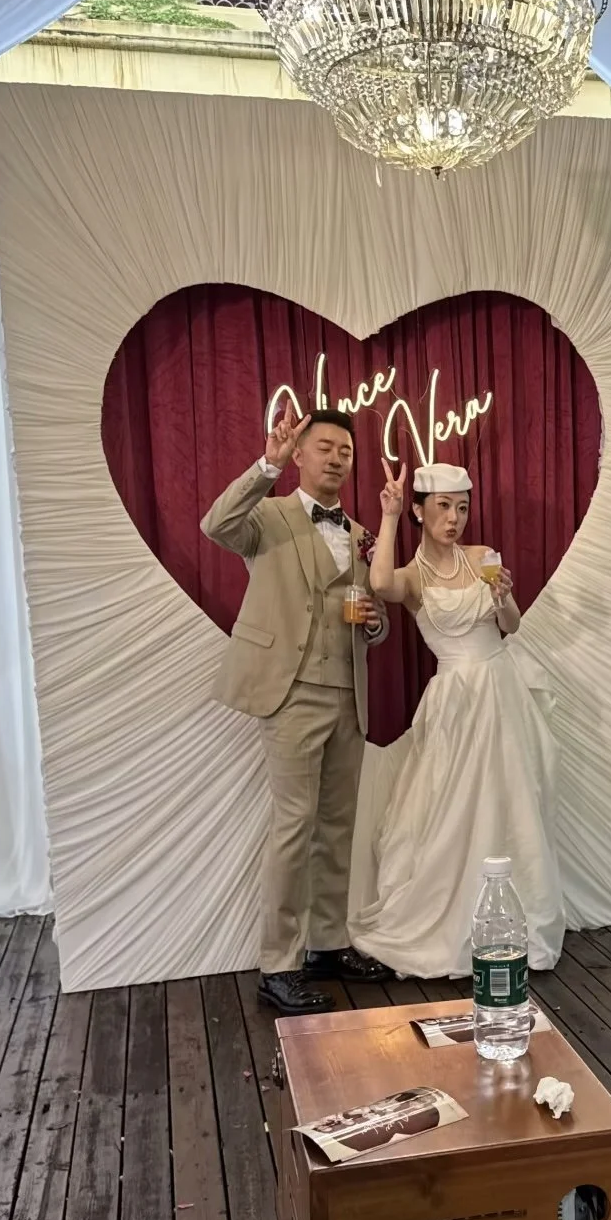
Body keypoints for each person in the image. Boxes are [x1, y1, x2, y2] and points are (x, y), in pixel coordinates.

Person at [201, 405, 394, 1015]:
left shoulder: (359, 532)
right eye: (325, 447)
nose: (337, 458)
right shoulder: (269, 516)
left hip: (348, 692)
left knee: (338, 825)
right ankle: (277, 965)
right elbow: (216, 524)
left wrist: (374, 623)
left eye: (346, 451)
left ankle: (327, 944)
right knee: (293, 825)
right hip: (290, 691)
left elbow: (375, 619)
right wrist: (267, 465)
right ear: (302, 453)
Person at [350, 458, 565, 978]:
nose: (454, 518)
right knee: (452, 805)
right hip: (455, 699)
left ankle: (516, 920)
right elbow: (379, 582)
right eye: (444, 507)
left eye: (462, 508)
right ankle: (450, 918)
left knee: (513, 800)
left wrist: (504, 597)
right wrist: (389, 514)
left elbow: (510, 626)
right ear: (420, 512)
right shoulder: (411, 577)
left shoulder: (482, 557)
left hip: (501, 689)